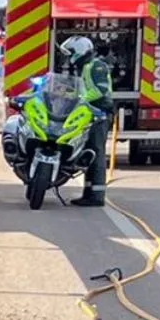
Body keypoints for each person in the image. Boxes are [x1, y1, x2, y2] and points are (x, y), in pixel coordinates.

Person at [59, 35, 113, 207]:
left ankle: (96, 196)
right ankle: (88, 193)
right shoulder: (84, 68)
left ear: (80, 51)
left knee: (96, 152)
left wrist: (80, 99)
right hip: (89, 113)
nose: (68, 58)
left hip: (99, 113)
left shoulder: (95, 66)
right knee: (88, 151)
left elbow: (99, 90)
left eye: (70, 53)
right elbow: (82, 90)